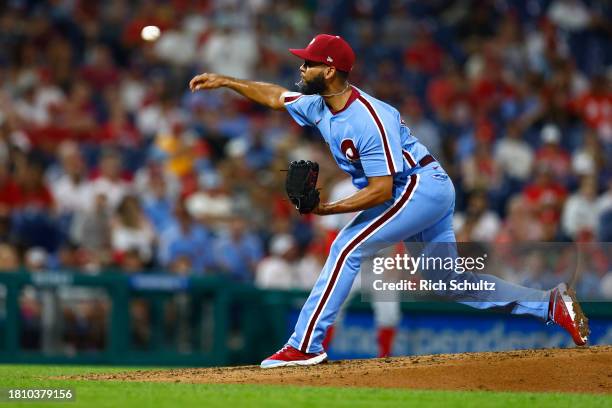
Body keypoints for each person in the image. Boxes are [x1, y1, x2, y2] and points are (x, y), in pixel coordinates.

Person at [189, 34, 590, 369]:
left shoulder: (368, 117)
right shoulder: (317, 104)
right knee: (447, 281)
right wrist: (226, 81)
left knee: (346, 246)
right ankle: (549, 305)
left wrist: (326, 210)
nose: (301, 69)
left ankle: (304, 344)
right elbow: (276, 97)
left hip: (418, 185)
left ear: (329, 70)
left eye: (308, 63)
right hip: (417, 189)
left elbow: (382, 191)